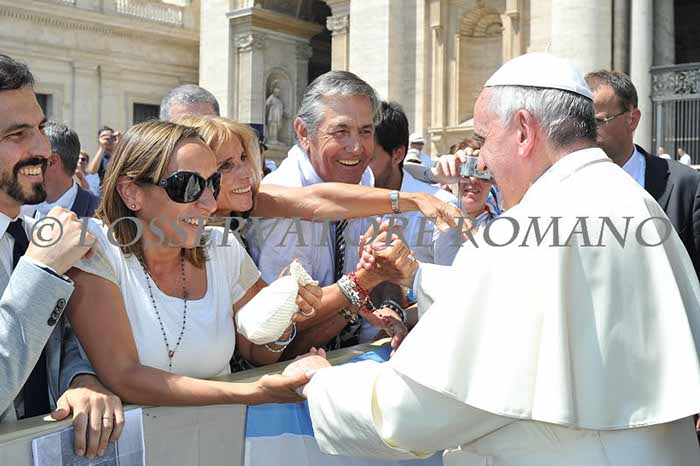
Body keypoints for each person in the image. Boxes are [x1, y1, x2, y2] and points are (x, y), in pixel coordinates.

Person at [285, 53, 700, 465]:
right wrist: (418, 276)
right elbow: (546, 301)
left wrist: (322, 384)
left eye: (483, 140)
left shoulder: (523, 229)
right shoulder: (636, 201)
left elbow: (414, 410)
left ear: (524, 131)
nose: (480, 162)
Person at [66, 120, 325, 408]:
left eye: (212, 184)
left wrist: (284, 315)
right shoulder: (96, 250)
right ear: (131, 192)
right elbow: (125, 376)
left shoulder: (222, 247)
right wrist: (254, 392)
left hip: (222, 430)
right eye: (188, 186)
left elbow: (255, 350)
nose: (209, 204)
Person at [0, 54, 123, 459]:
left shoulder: (36, 235)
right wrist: (43, 268)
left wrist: (81, 379)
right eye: (17, 134)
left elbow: (63, 336)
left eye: (39, 128)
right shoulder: (46, 252)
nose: (42, 148)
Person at [244, 71, 414, 355]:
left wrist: (391, 307)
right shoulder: (282, 195)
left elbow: (379, 271)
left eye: (365, 131)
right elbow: (281, 336)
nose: (356, 148)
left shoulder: (363, 178)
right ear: (303, 133)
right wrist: (361, 285)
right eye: (340, 132)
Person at [585, 70, 700, 281]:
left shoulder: (686, 186)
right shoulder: (561, 187)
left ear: (632, 119)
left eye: (598, 121)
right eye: (582, 122)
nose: (587, 132)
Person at [369, 101, 461, 266]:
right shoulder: (346, 199)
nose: (360, 166)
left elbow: (450, 277)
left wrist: (406, 272)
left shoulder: (442, 207)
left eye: (369, 158)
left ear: (397, 155)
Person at [21, 121, 99, 219]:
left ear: (52, 161)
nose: (24, 161)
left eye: (33, 155)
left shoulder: (99, 212)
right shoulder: (17, 209)